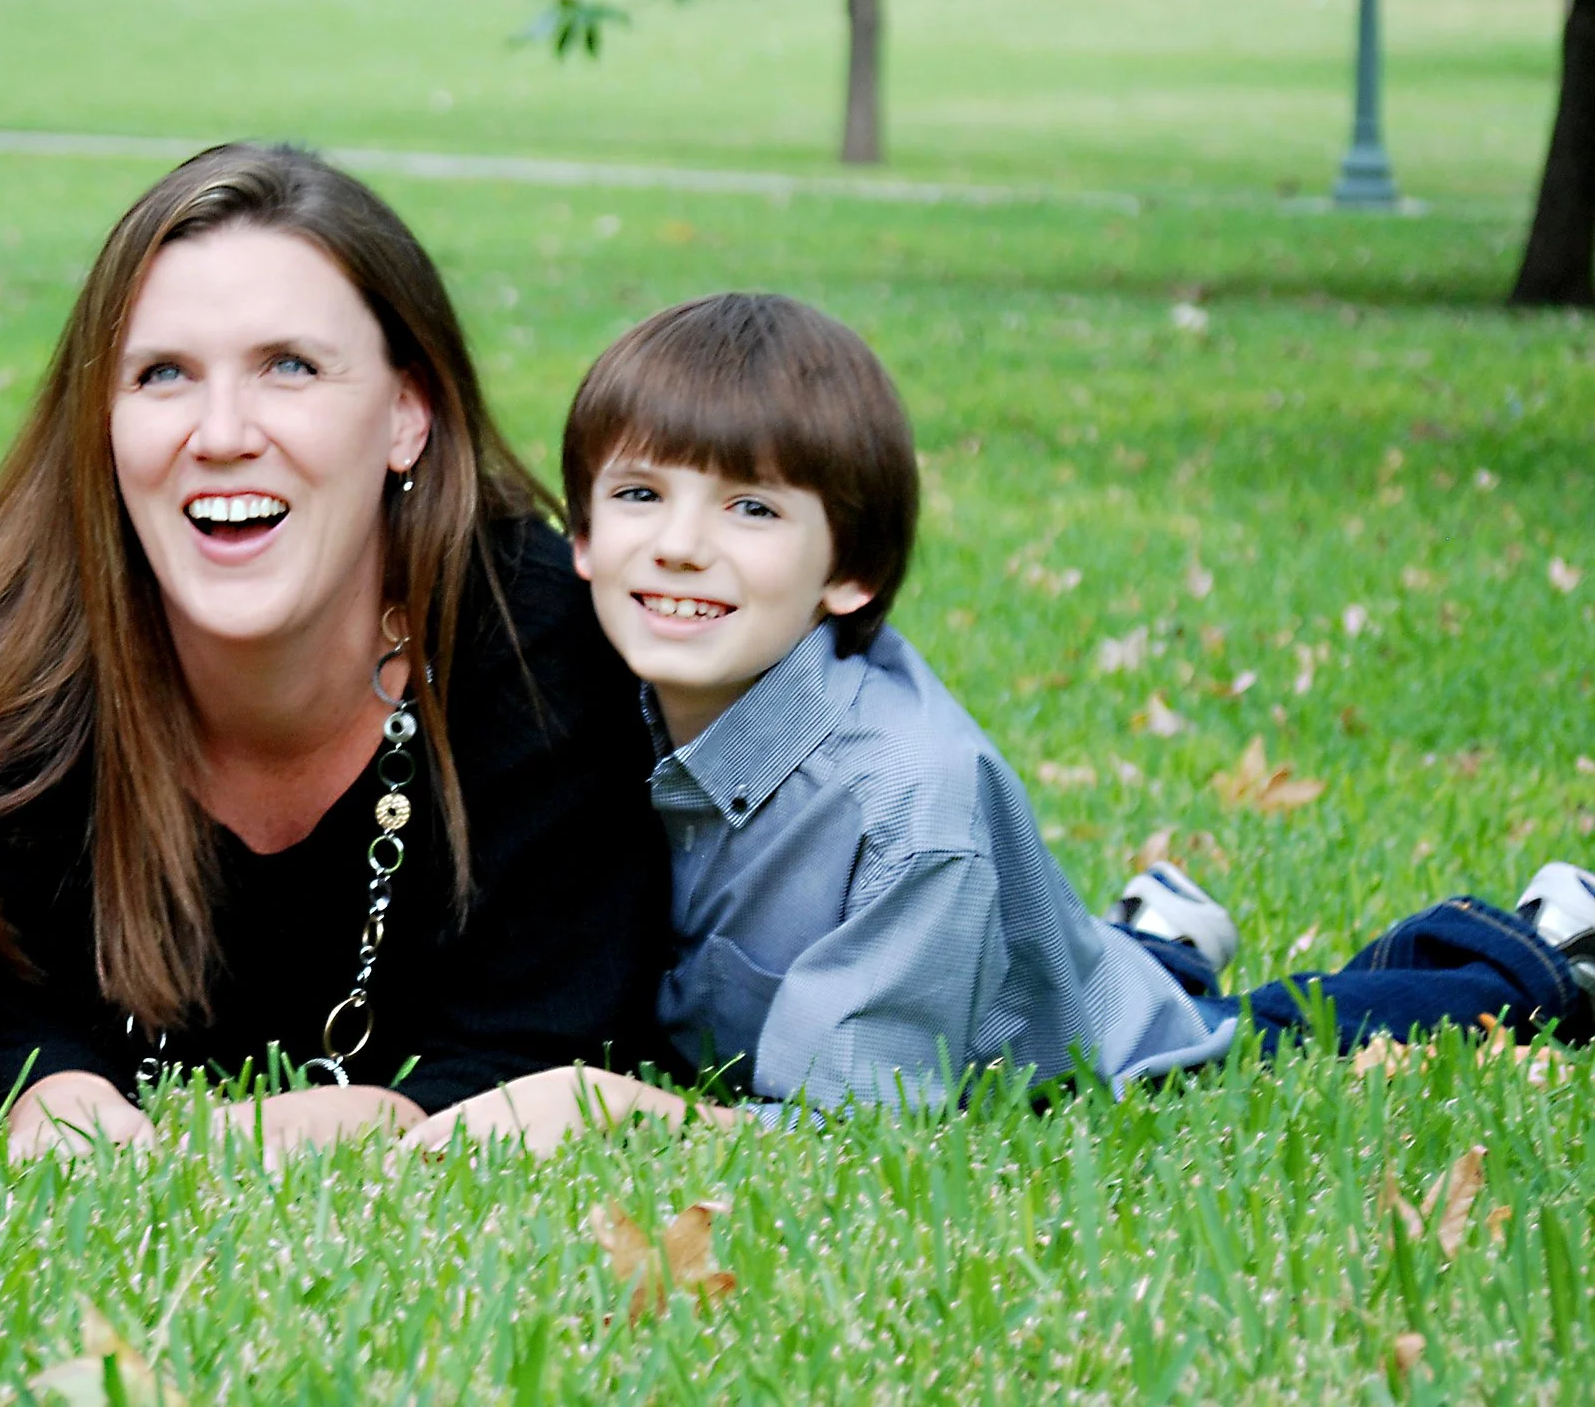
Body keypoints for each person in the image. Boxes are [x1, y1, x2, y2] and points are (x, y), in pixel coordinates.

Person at [413, 293, 1595, 1151]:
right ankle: (1154, 932)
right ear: (577, 539)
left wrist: (626, 1111)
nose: (677, 542)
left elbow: (849, 1135)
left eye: (752, 507)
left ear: (852, 572)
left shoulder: (912, 803)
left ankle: (1531, 950)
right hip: (944, 945)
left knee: (1255, 1030)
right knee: (1094, 957)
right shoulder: (583, 692)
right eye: (636, 494)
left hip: (1043, 1040)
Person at [0, 143, 670, 1158]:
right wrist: (51, 1088)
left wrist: (395, 1113)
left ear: (405, 414)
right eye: (162, 375)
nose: (221, 432)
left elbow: (546, 1037)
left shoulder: (547, 652)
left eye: (289, 367)